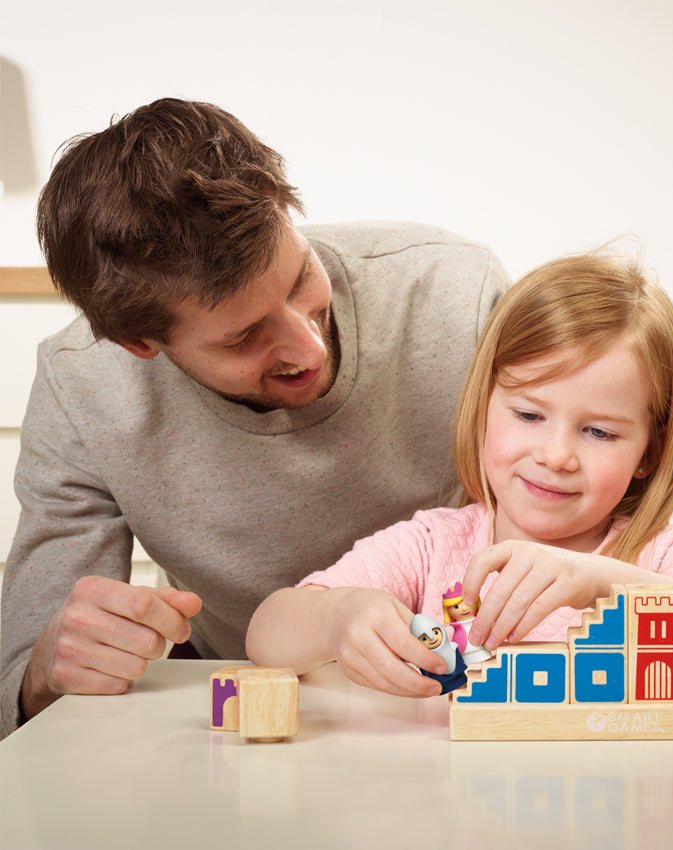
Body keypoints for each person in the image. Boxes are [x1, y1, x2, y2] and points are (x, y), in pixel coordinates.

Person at [0, 98, 511, 738]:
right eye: (243, 337)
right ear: (141, 345)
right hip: (243, 712)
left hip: (455, 703)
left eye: (302, 277)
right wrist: (48, 669)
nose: (309, 349)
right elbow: (18, 693)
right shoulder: (82, 387)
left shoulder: (456, 295)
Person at [246, 248, 673, 697]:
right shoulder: (431, 547)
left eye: (598, 432)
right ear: (483, 406)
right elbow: (268, 636)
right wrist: (336, 618)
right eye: (529, 416)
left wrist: (602, 583)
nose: (555, 455)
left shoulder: (663, 558)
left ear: (651, 451)